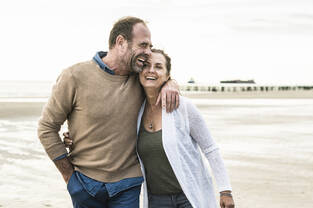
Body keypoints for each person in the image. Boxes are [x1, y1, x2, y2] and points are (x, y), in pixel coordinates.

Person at [37, 16, 180, 208]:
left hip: (128, 185)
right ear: (121, 42)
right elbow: (46, 128)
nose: (148, 52)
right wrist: (69, 178)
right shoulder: (74, 76)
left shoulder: (140, 79)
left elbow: (160, 77)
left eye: (150, 46)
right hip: (85, 184)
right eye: (143, 45)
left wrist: (172, 84)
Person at [65, 49, 236, 208]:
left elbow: (210, 149)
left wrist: (225, 190)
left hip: (188, 196)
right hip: (156, 200)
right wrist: (77, 136)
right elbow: (108, 128)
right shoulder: (134, 109)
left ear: (167, 75)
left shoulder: (182, 107)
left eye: (158, 67)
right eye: (146, 66)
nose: (151, 70)